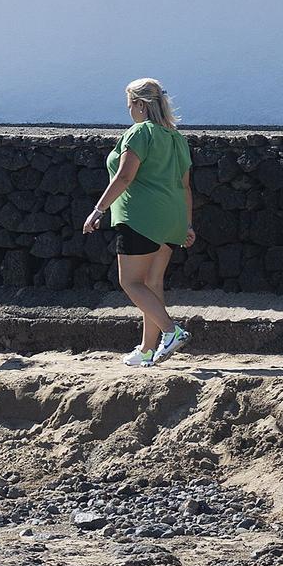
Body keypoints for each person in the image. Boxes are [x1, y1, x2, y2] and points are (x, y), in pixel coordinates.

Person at [81, 78, 195, 366]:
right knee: (152, 283)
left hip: (140, 218)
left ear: (140, 105)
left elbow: (124, 176)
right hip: (170, 220)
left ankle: (171, 331)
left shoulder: (139, 133)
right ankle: (146, 348)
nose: (129, 111)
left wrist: (98, 209)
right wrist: (187, 225)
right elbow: (186, 187)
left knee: (130, 282)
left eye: (130, 105)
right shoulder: (176, 138)